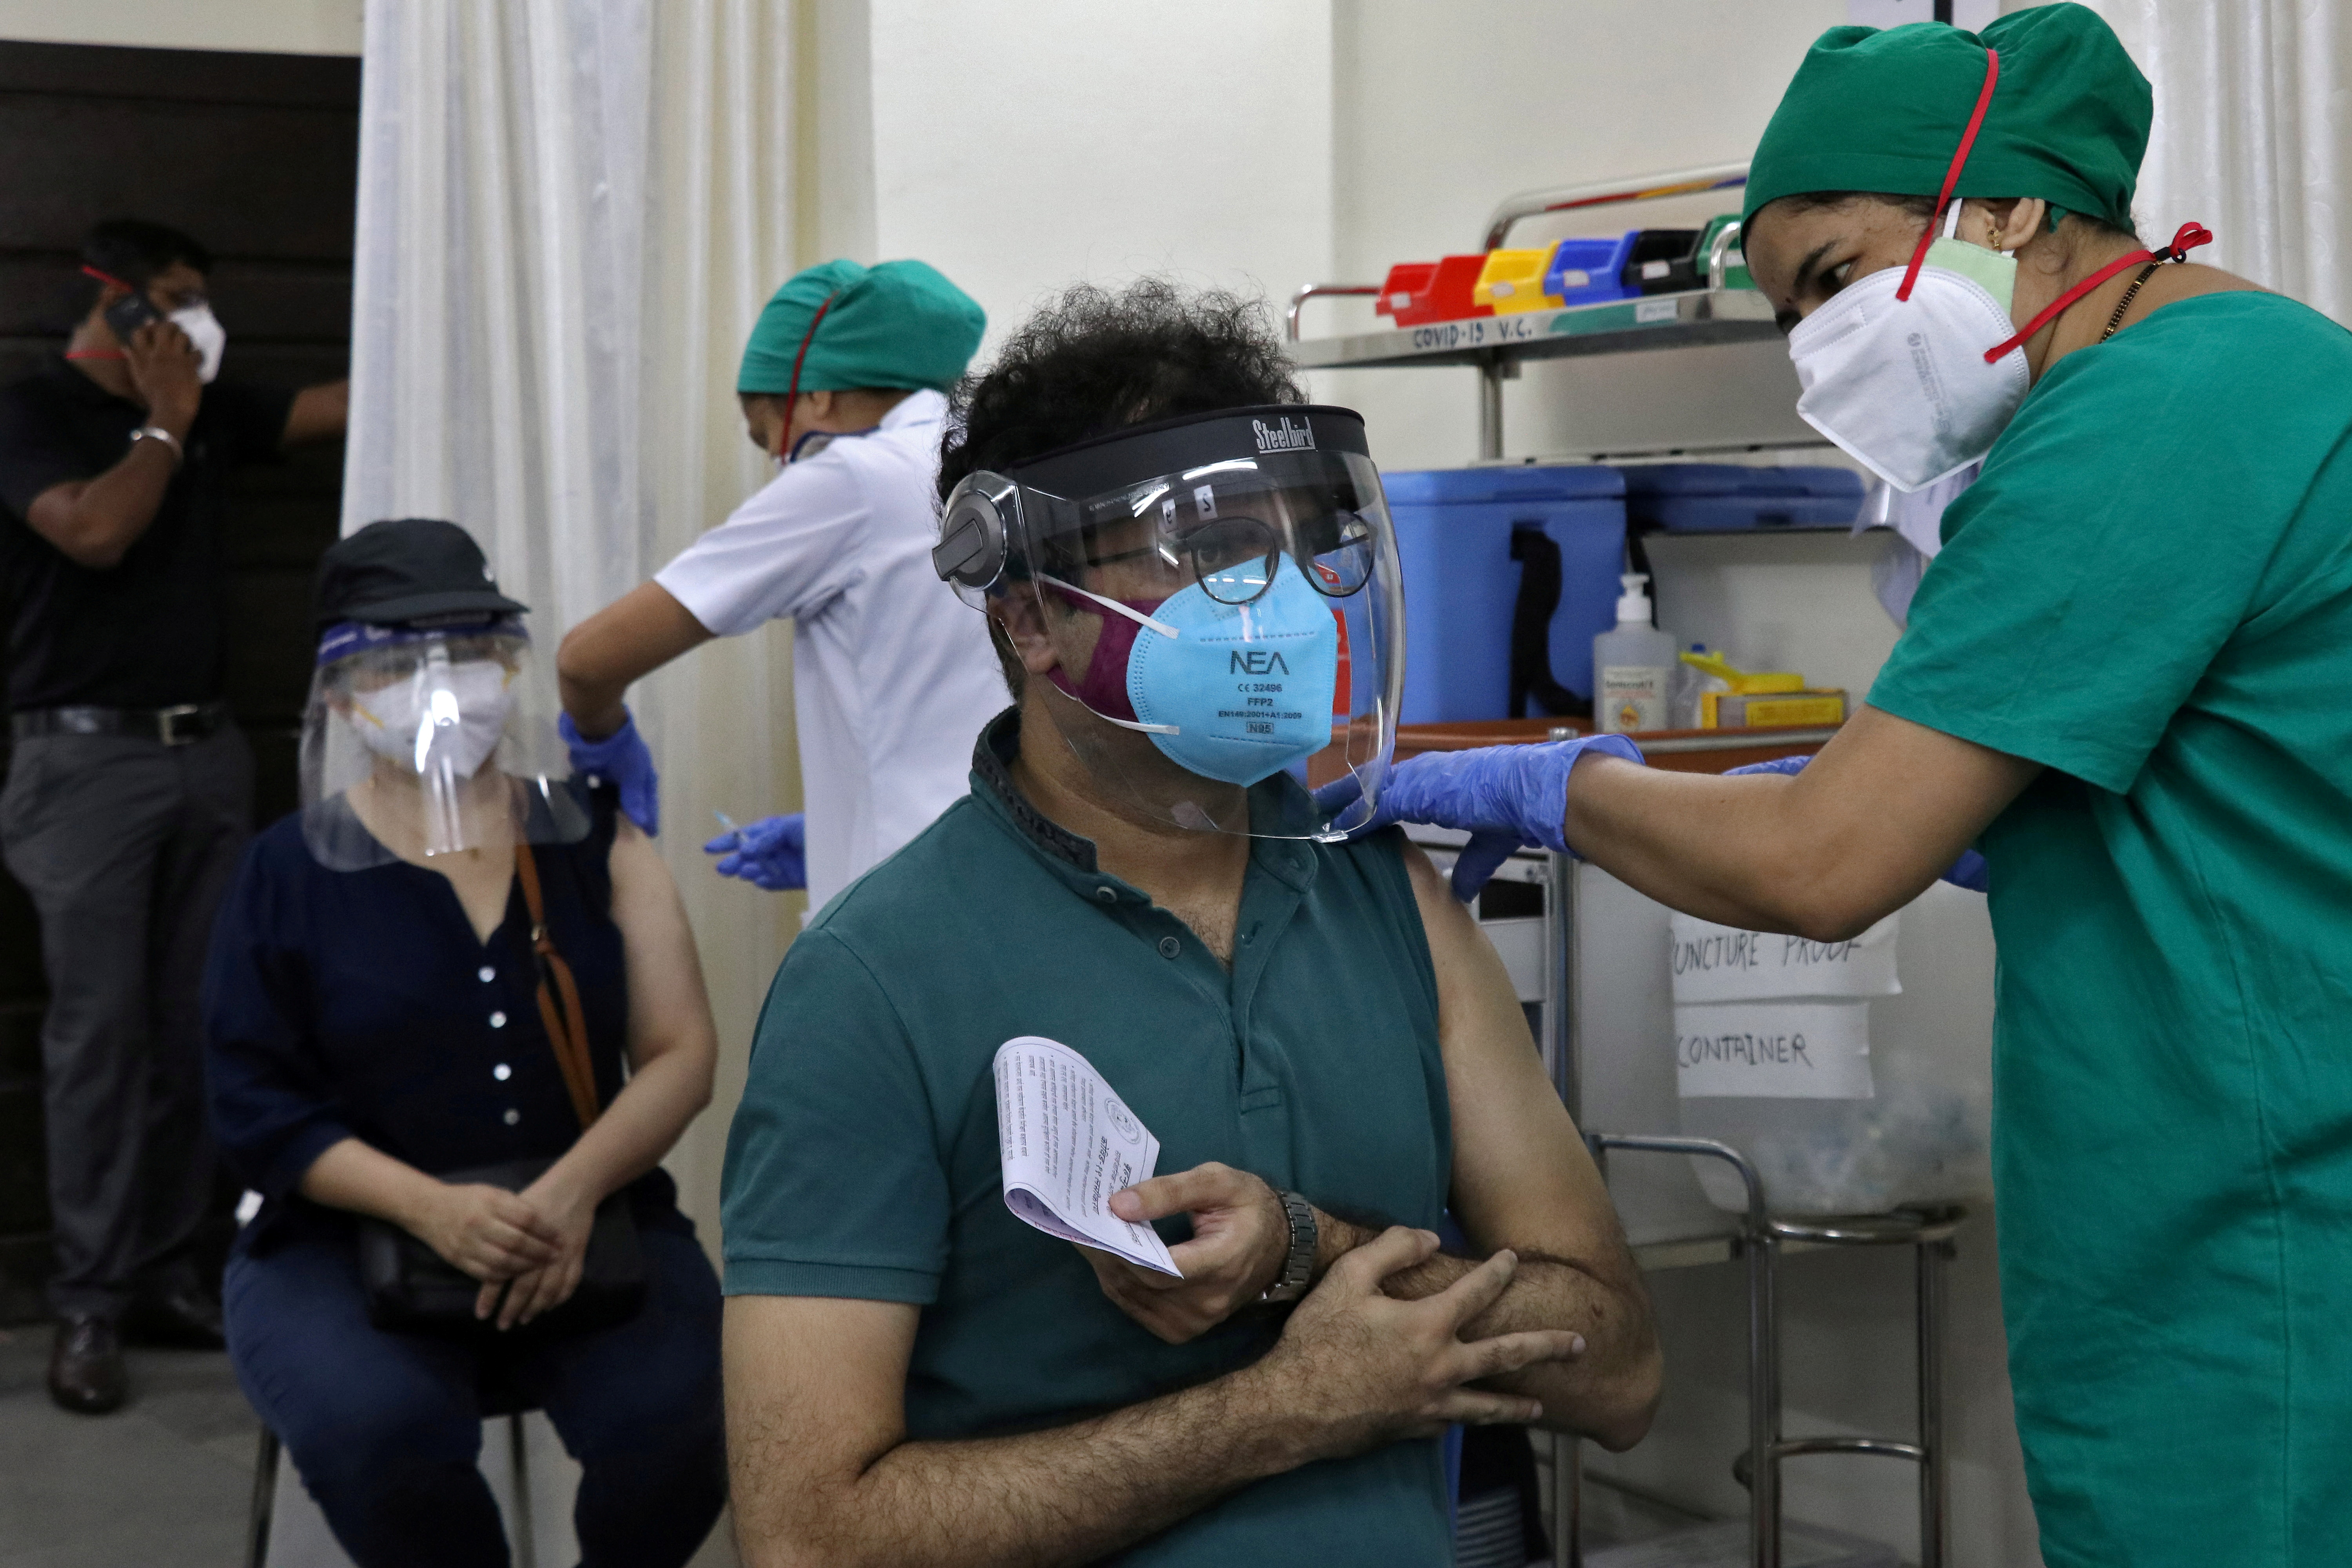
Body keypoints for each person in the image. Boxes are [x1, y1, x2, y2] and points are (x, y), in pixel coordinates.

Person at [1350, 9, 2352, 1566]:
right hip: (2232, 1170)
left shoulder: (2143, 415)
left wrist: (1549, 782)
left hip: (2264, 1227)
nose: (1820, 342)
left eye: (1832, 278)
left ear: (2008, 206)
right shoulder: (2251, 367)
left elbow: (1822, 868)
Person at [720, 282, 1661, 1567]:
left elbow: (1618, 1372)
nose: (1276, 600)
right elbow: (806, 1538)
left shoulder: (1391, 905)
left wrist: (1308, 1245)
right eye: (1213, 550)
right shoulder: (876, 980)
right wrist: (1278, 1415)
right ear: (1031, 616)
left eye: (1297, 544)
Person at [203, 518, 727, 1567]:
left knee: (687, 1424)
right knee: (377, 1434)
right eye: (399, 662)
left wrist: (573, 1193)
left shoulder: (594, 835)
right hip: (343, 1244)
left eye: (467, 653)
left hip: (589, 1213)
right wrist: (431, 1209)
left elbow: (679, 1051)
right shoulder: (286, 872)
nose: (440, 687)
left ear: (509, 664)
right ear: (346, 697)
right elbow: (254, 1101)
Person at [0, 218, 349, 1413]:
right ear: (120, 306)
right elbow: (92, 533)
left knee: (198, 1026)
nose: (203, 322)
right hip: (83, 768)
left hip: (203, 755)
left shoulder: (206, 410)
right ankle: (89, 1304)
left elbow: (334, 408)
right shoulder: (35, 412)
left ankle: (163, 1272)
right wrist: (163, 426)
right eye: (181, 299)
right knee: (98, 1043)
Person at [555, 256, 1002, 913]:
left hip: (909, 904)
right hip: (1007, 868)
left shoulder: (854, 476)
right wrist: (837, 830)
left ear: (818, 395)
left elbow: (588, 659)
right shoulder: (990, 459)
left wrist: (601, 738)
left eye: (768, 436)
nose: (777, 462)